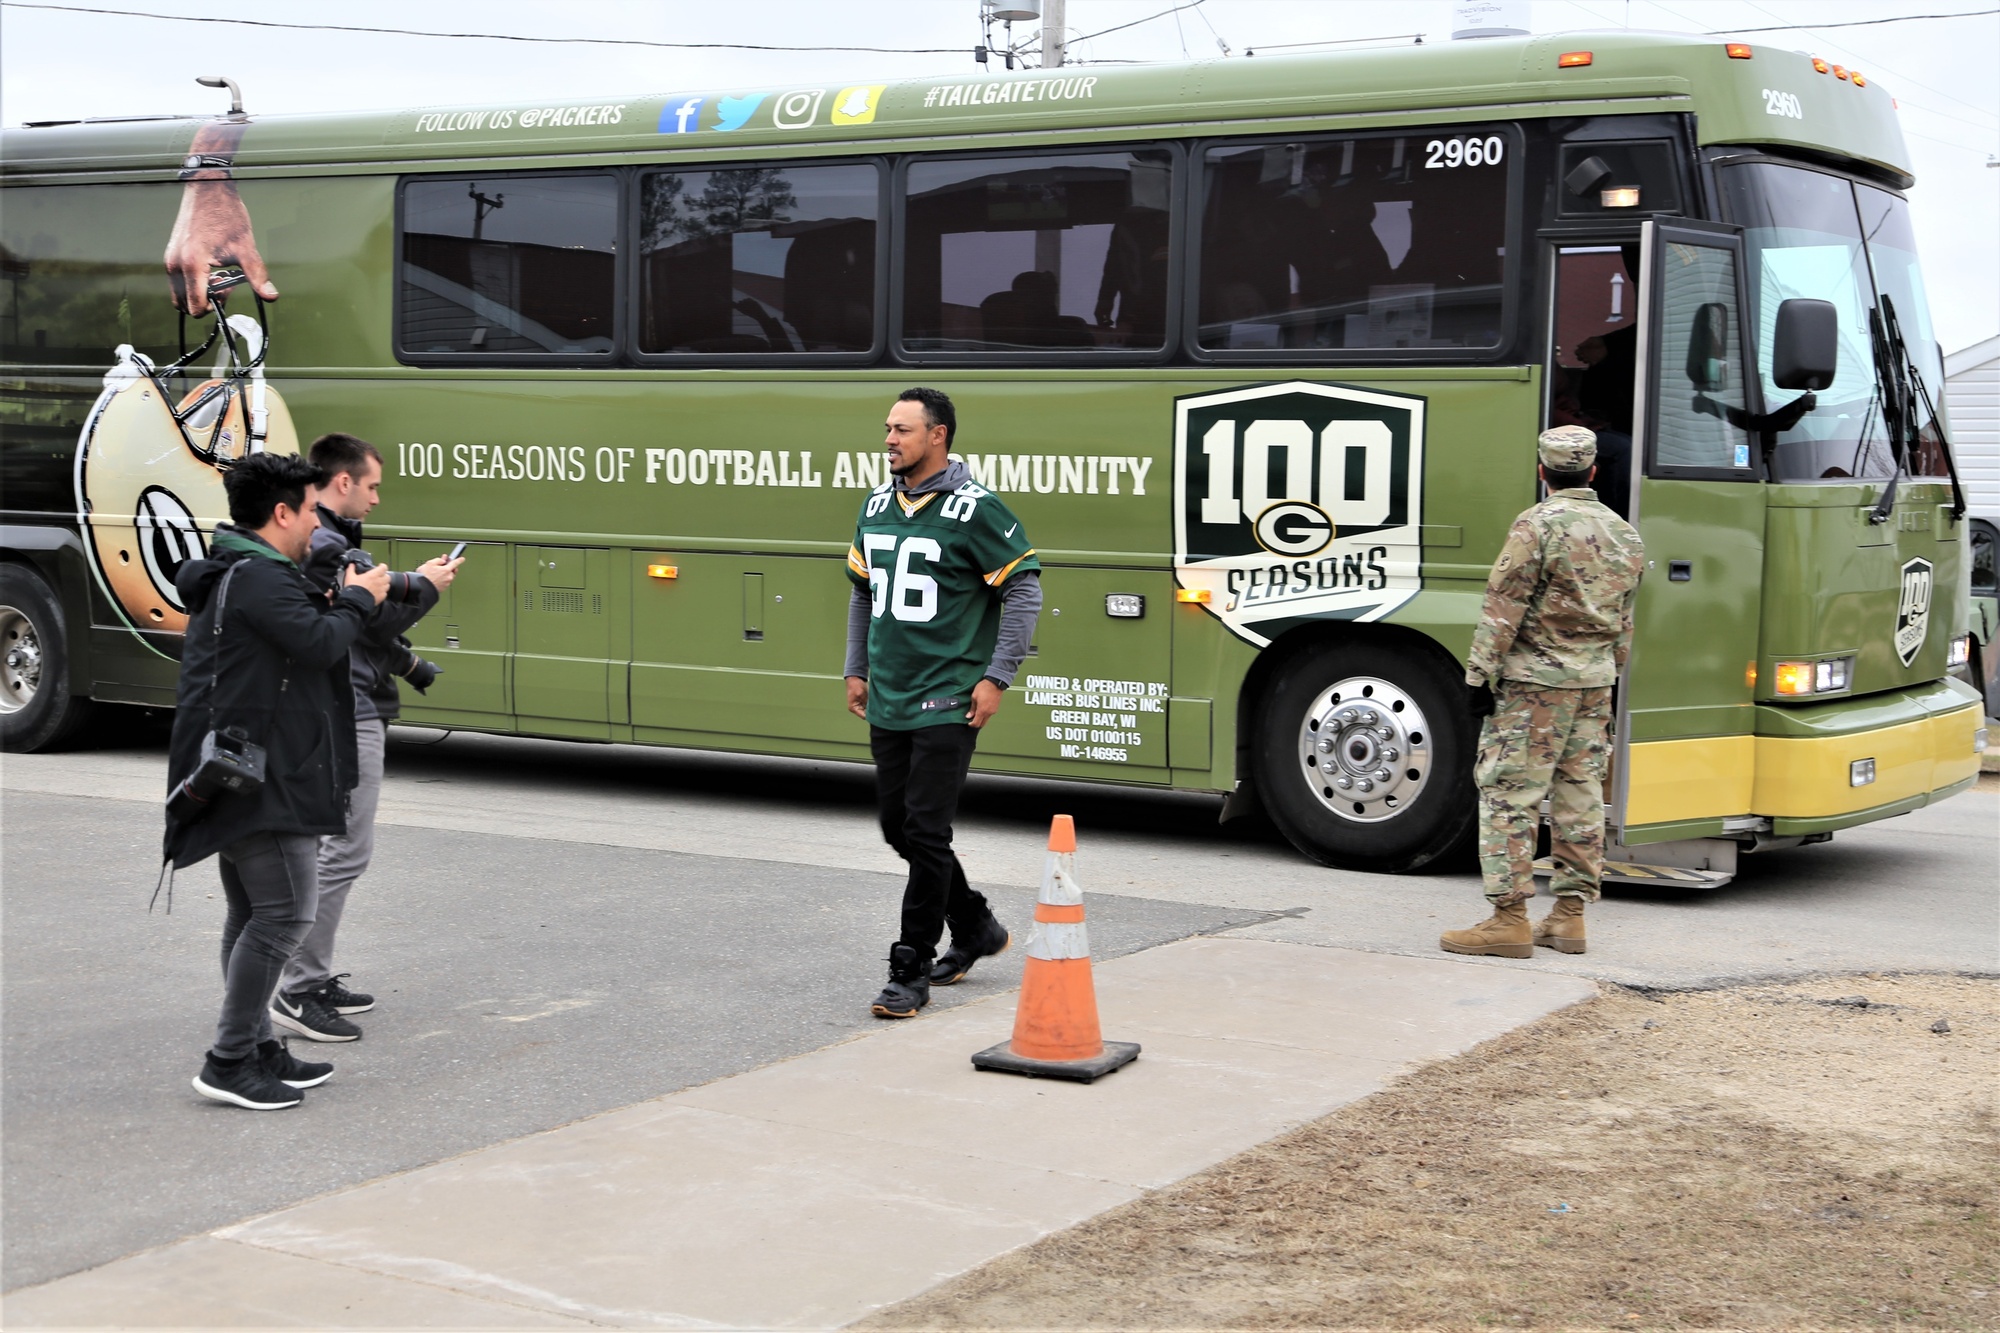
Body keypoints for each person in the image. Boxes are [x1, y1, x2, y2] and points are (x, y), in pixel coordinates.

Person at [166, 452, 390, 1110]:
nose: (316, 525)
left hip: (245, 767)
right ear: (284, 512)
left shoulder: (245, 571)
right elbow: (321, 644)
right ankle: (229, 1058)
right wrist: (359, 597)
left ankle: (257, 1044)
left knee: (251, 912)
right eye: (311, 511)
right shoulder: (261, 577)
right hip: (263, 777)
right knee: (286, 913)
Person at [844, 388, 1043, 1017]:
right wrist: (857, 668)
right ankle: (976, 925)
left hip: (948, 697)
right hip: (890, 694)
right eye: (887, 429)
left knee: (925, 830)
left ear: (939, 436)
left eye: (902, 430)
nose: (889, 440)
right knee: (897, 828)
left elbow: (1024, 590)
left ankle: (910, 969)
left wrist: (996, 677)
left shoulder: (976, 508)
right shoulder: (877, 504)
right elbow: (862, 593)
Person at [268, 433, 460, 1043]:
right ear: (343, 481)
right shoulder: (325, 542)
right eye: (372, 485)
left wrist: (408, 659)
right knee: (344, 850)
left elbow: (364, 626)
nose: (378, 498)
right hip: (347, 708)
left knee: (337, 848)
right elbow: (368, 620)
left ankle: (312, 976)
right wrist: (426, 586)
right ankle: (298, 988)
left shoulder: (331, 537)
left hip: (348, 700)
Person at [1442, 425, 1645, 960]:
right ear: (1593, 472)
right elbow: (1623, 622)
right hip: (1594, 683)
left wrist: (1477, 677)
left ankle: (1509, 920)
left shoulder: (1536, 526)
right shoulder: (1624, 533)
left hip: (1535, 687)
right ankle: (1569, 919)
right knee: (1580, 797)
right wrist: (1608, 671)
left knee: (1510, 795)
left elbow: (1503, 606)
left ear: (1542, 472)